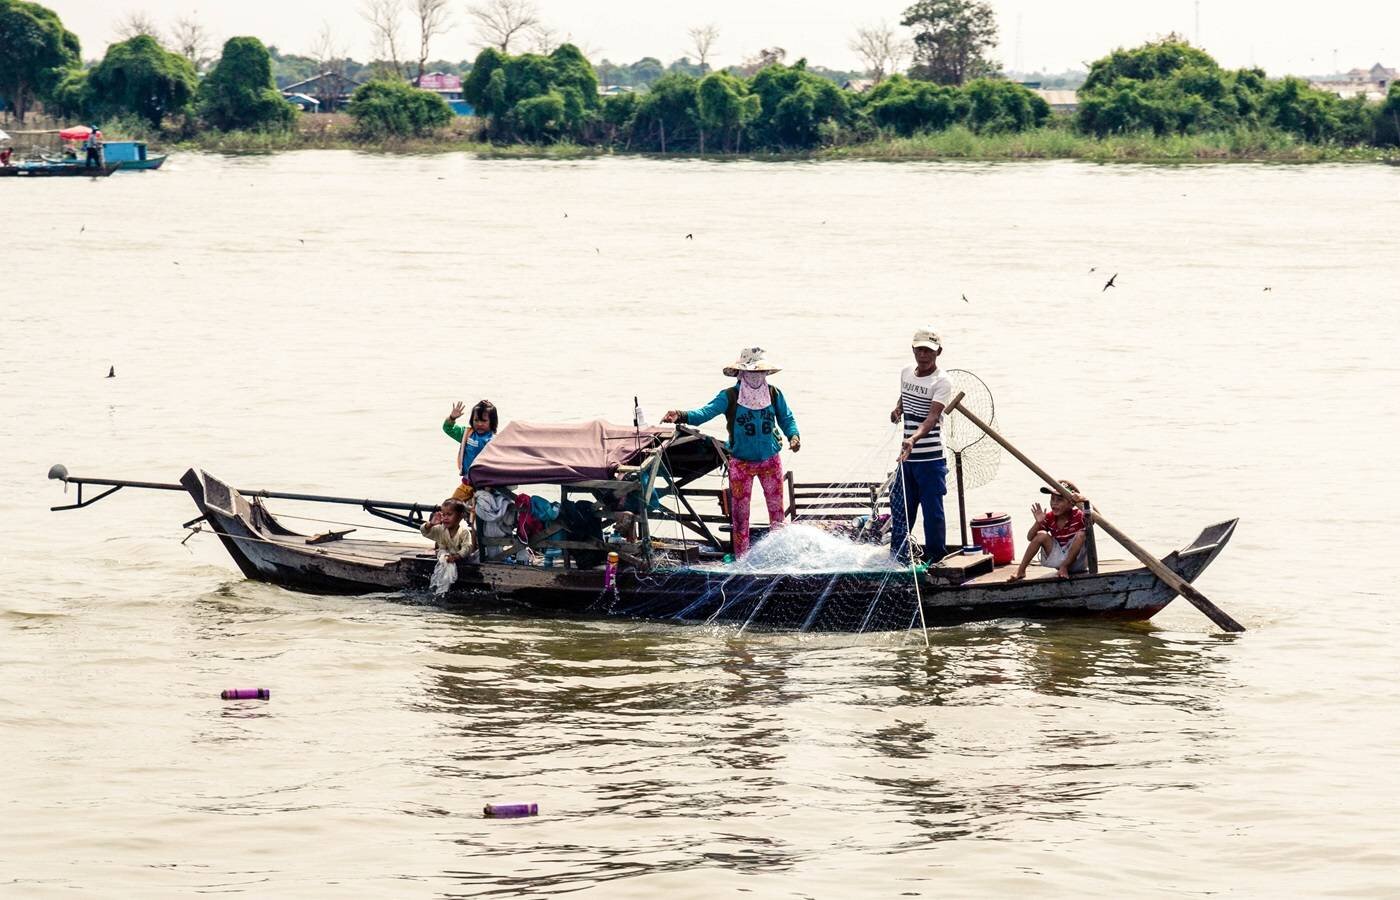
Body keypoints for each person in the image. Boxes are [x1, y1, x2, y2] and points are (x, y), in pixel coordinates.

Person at [662, 347, 800, 558]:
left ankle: (778, 556)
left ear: (765, 373)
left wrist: (794, 436)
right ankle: (741, 557)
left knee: (777, 513)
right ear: (741, 373)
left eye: (760, 372)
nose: (756, 377)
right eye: (751, 372)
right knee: (740, 515)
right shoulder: (730, 396)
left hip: (770, 461)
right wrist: (680, 415)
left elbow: (786, 418)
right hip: (741, 463)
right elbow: (705, 413)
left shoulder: (773, 393)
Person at [890, 327, 953, 564]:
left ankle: (936, 557)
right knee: (901, 507)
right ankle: (897, 555)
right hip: (907, 458)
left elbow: (931, 418)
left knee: (932, 512)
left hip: (931, 458)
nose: (924, 355)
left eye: (929, 351)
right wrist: (898, 410)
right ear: (913, 349)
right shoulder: (906, 372)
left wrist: (913, 439)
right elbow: (904, 398)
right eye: (920, 349)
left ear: (938, 352)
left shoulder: (942, 381)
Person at [1008, 480, 1088, 581]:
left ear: (1071, 504)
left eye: (1059, 500)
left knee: (1082, 534)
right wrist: (1038, 523)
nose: (1054, 504)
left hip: (1077, 562)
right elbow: (1030, 537)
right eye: (1052, 499)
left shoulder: (1079, 515)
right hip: (1059, 559)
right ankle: (1021, 570)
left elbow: (1096, 517)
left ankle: (1064, 567)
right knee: (1041, 534)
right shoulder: (1050, 517)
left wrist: (1084, 500)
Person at [441, 399, 498, 503]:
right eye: (476, 420)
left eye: (484, 421)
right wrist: (452, 417)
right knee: (450, 506)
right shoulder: (466, 434)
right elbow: (447, 428)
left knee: (479, 513)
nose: (479, 424)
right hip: (467, 484)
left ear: (492, 422)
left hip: (486, 488)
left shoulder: (493, 440)